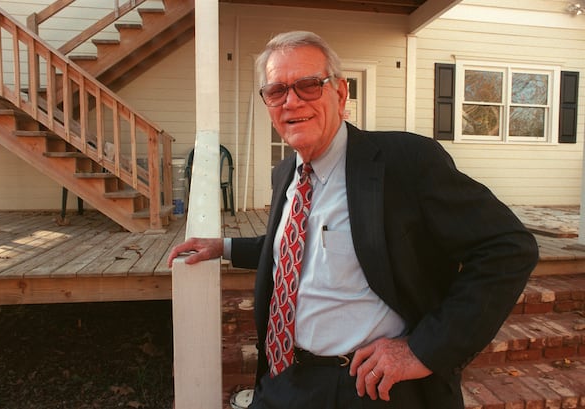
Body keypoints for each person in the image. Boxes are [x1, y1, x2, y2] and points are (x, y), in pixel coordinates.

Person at [168, 30, 539, 409]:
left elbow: (507, 248)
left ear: (341, 93)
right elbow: (296, 249)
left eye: (309, 85)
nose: (291, 101)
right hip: (282, 379)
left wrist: (423, 350)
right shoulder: (286, 173)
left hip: (365, 388)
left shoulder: (404, 162)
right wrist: (223, 247)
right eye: (276, 90)